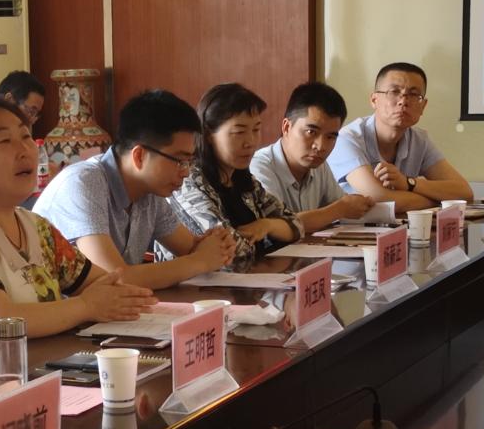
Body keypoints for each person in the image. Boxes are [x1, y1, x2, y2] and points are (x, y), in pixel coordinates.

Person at [0, 96, 156, 374]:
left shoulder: (35, 226)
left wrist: (112, 298)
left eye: (26, 137)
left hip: (29, 373)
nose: (24, 150)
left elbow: (105, 285)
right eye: (4, 141)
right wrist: (86, 306)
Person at [33, 90, 237, 290]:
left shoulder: (151, 193)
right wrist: (199, 261)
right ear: (139, 156)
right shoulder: (83, 183)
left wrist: (218, 246)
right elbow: (113, 278)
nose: (186, 172)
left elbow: (193, 249)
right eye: (179, 161)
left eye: (190, 161)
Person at [170, 83, 302, 270]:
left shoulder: (243, 179)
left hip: (249, 281)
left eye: (256, 130)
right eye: (239, 132)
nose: (250, 142)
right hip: (197, 286)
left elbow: (296, 225)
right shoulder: (189, 181)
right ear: (208, 134)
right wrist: (270, 235)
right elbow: (232, 253)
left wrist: (266, 225)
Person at [326, 62, 473, 212]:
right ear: (374, 100)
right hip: (345, 226)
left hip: (399, 225)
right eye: (394, 92)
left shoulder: (419, 140)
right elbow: (379, 199)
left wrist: (409, 183)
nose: (403, 101)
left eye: (413, 94)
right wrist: (438, 200)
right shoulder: (347, 138)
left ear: (423, 106)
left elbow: (464, 193)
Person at [251, 82, 374, 233]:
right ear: (286, 127)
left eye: (330, 137)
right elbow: (277, 226)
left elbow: (344, 207)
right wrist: (339, 209)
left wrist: (357, 205)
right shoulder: (259, 167)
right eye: (311, 132)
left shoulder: (318, 165)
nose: (321, 146)